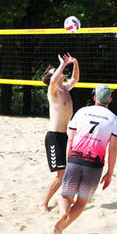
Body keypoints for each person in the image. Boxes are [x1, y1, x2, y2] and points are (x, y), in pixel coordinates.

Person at [53, 84, 117, 234]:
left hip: (75, 159)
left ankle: (63, 213)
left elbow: (70, 139)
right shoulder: (114, 120)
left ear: (95, 98)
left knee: (65, 197)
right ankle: (64, 225)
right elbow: (113, 149)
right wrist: (109, 172)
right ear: (110, 99)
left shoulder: (82, 112)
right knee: (81, 202)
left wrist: (69, 162)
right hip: (95, 165)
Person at [40, 53, 79, 212]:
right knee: (61, 174)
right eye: (54, 72)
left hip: (64, 136)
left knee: (70, 170)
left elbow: (75, 79)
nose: (58, 72)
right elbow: (54, 79)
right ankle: (43, 203)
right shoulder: (53, 90)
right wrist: (62, 64)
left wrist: (75, 63)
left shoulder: (64, 88)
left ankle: (65, 198)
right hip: (54, 137)